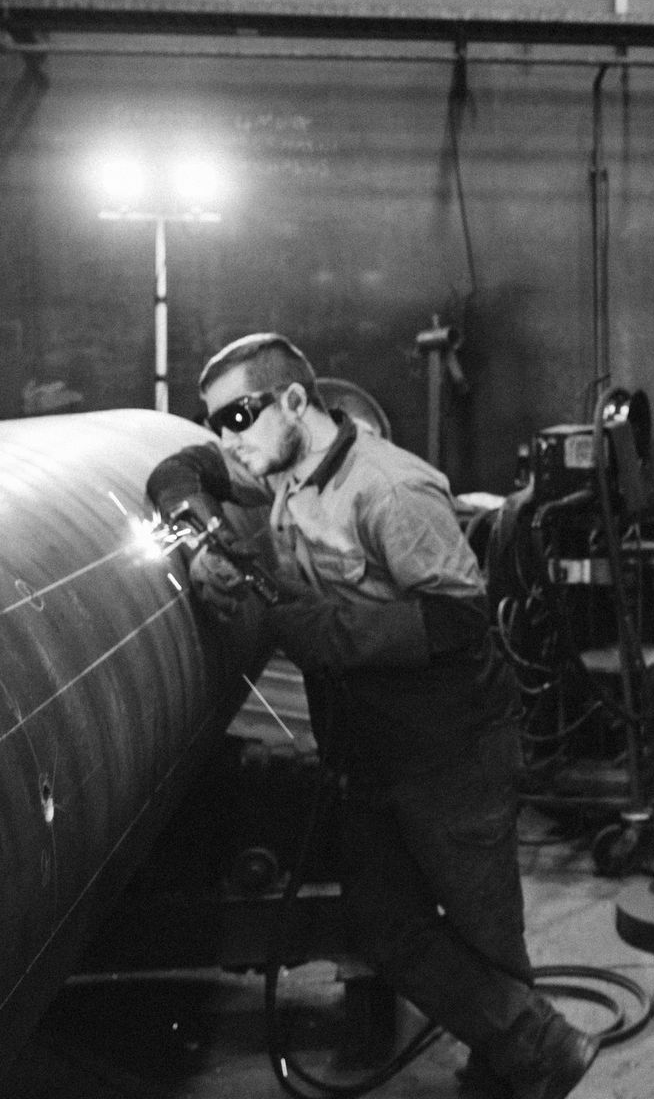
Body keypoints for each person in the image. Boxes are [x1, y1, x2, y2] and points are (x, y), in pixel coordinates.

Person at [146, 333, 597, 1099]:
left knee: (484, 929)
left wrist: (295, 623)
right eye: (215, 418)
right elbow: (178, 470)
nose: (227, 437)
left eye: (241, 414)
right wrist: (199, 534)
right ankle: (537, 1046)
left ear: (295, 401)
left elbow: (457, 620)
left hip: (452, 749)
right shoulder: (275, 468)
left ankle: (518, 1063)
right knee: (385, 922)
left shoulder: (388, 489)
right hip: (367, 749)